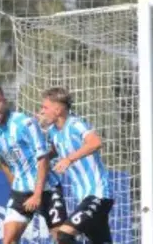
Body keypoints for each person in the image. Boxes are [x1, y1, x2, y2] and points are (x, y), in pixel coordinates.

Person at [0, 85, 67, 244]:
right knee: (8, 240)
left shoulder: (25, 123)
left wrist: (37, 194)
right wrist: (15, 186)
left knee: (62, 239)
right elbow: (4, 160)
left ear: (5, 102)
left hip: (47, 187)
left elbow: (43, 158)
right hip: (21, 190)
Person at [39, 87, 113, 244]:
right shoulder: (53, 131)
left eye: (45, 107)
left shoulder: (75, 124)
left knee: (64, 235)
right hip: (83, 197)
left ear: (58, 109)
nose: (42, 111)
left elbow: (95, 142)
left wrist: (69, 159)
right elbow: (53, 151)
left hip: (98, 194)